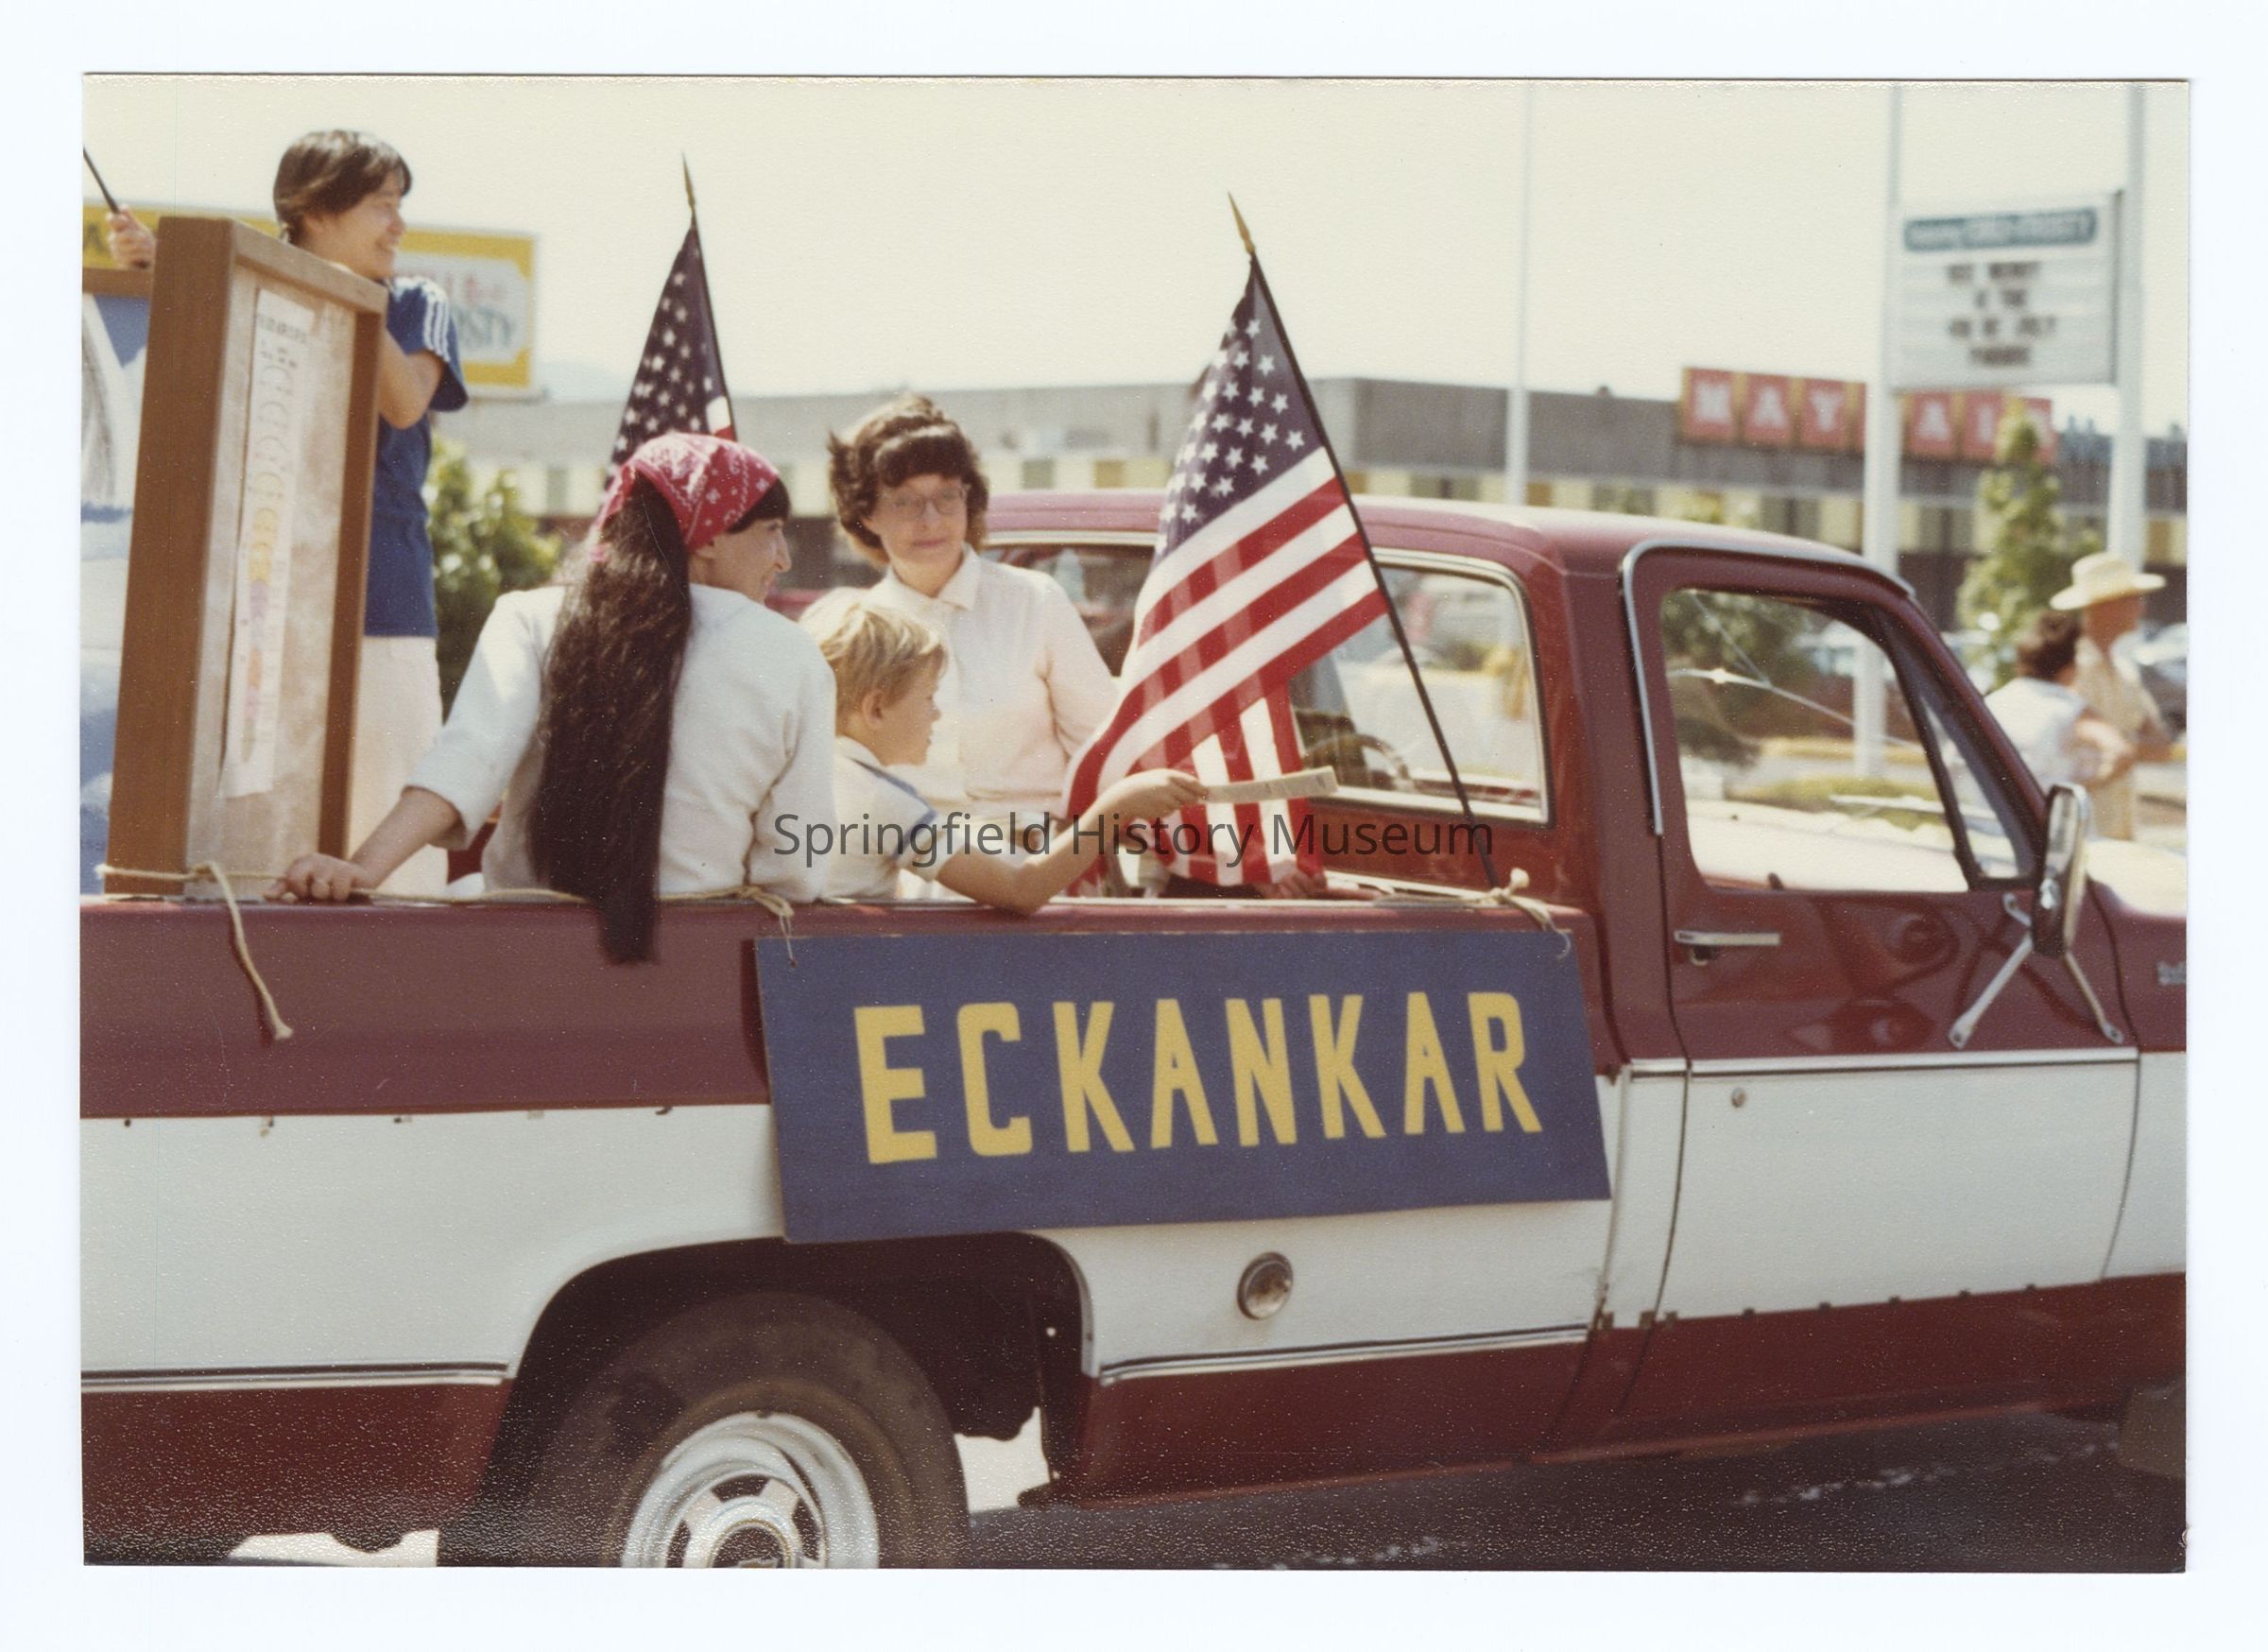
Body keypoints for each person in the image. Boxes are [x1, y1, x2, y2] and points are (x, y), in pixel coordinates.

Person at [268, 434, 836, 963]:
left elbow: (467, 765)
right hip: (699, 960)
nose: (783, 558)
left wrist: (363, 868)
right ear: (708, 535)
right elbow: (798, 867)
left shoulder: (530, 616)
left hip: (520, 956)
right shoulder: (792, 653)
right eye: (771, 530)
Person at [109, 130, 469, 892]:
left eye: (399, 205)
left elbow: (405, 402)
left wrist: (335, 287)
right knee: (254, 848)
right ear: (313, 209)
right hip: (260, 612)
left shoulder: (416, 302)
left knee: (395, 866)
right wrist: (167, 268)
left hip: (383, 612)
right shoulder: (253, 287)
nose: (399, 225)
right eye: (382, 205)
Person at [800, 395, 1115, 850]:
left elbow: (1101, 749)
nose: (931, 520)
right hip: (910, 870)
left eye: (947, 495)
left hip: (1042, 859)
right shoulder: (853, 631)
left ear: (970, 498)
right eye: (905, 501)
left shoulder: (1035, 601)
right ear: (866, 513)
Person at [815, 605, 1203, 911]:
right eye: (929, 697)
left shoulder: (823, 774)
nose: (937, 713)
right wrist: (1116, 809)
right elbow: (1021, 890)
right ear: (876, 709)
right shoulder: (883, 801)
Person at [2049, 550, 2175, 840]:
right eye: (2133, 598)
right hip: (2081, 833)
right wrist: (2127, 747)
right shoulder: (2070, 670)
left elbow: (2161, 747)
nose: (2141, 608)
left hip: (2119, 829)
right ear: (2106, 605)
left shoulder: (2125, 672)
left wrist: (2120, 749)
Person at [1986, 610, 2136, 794]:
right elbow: (2122, 752)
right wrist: (2083, 787)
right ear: (2069, 667)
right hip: (2044, 807)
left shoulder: (1994, 702)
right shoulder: (2071, 708)